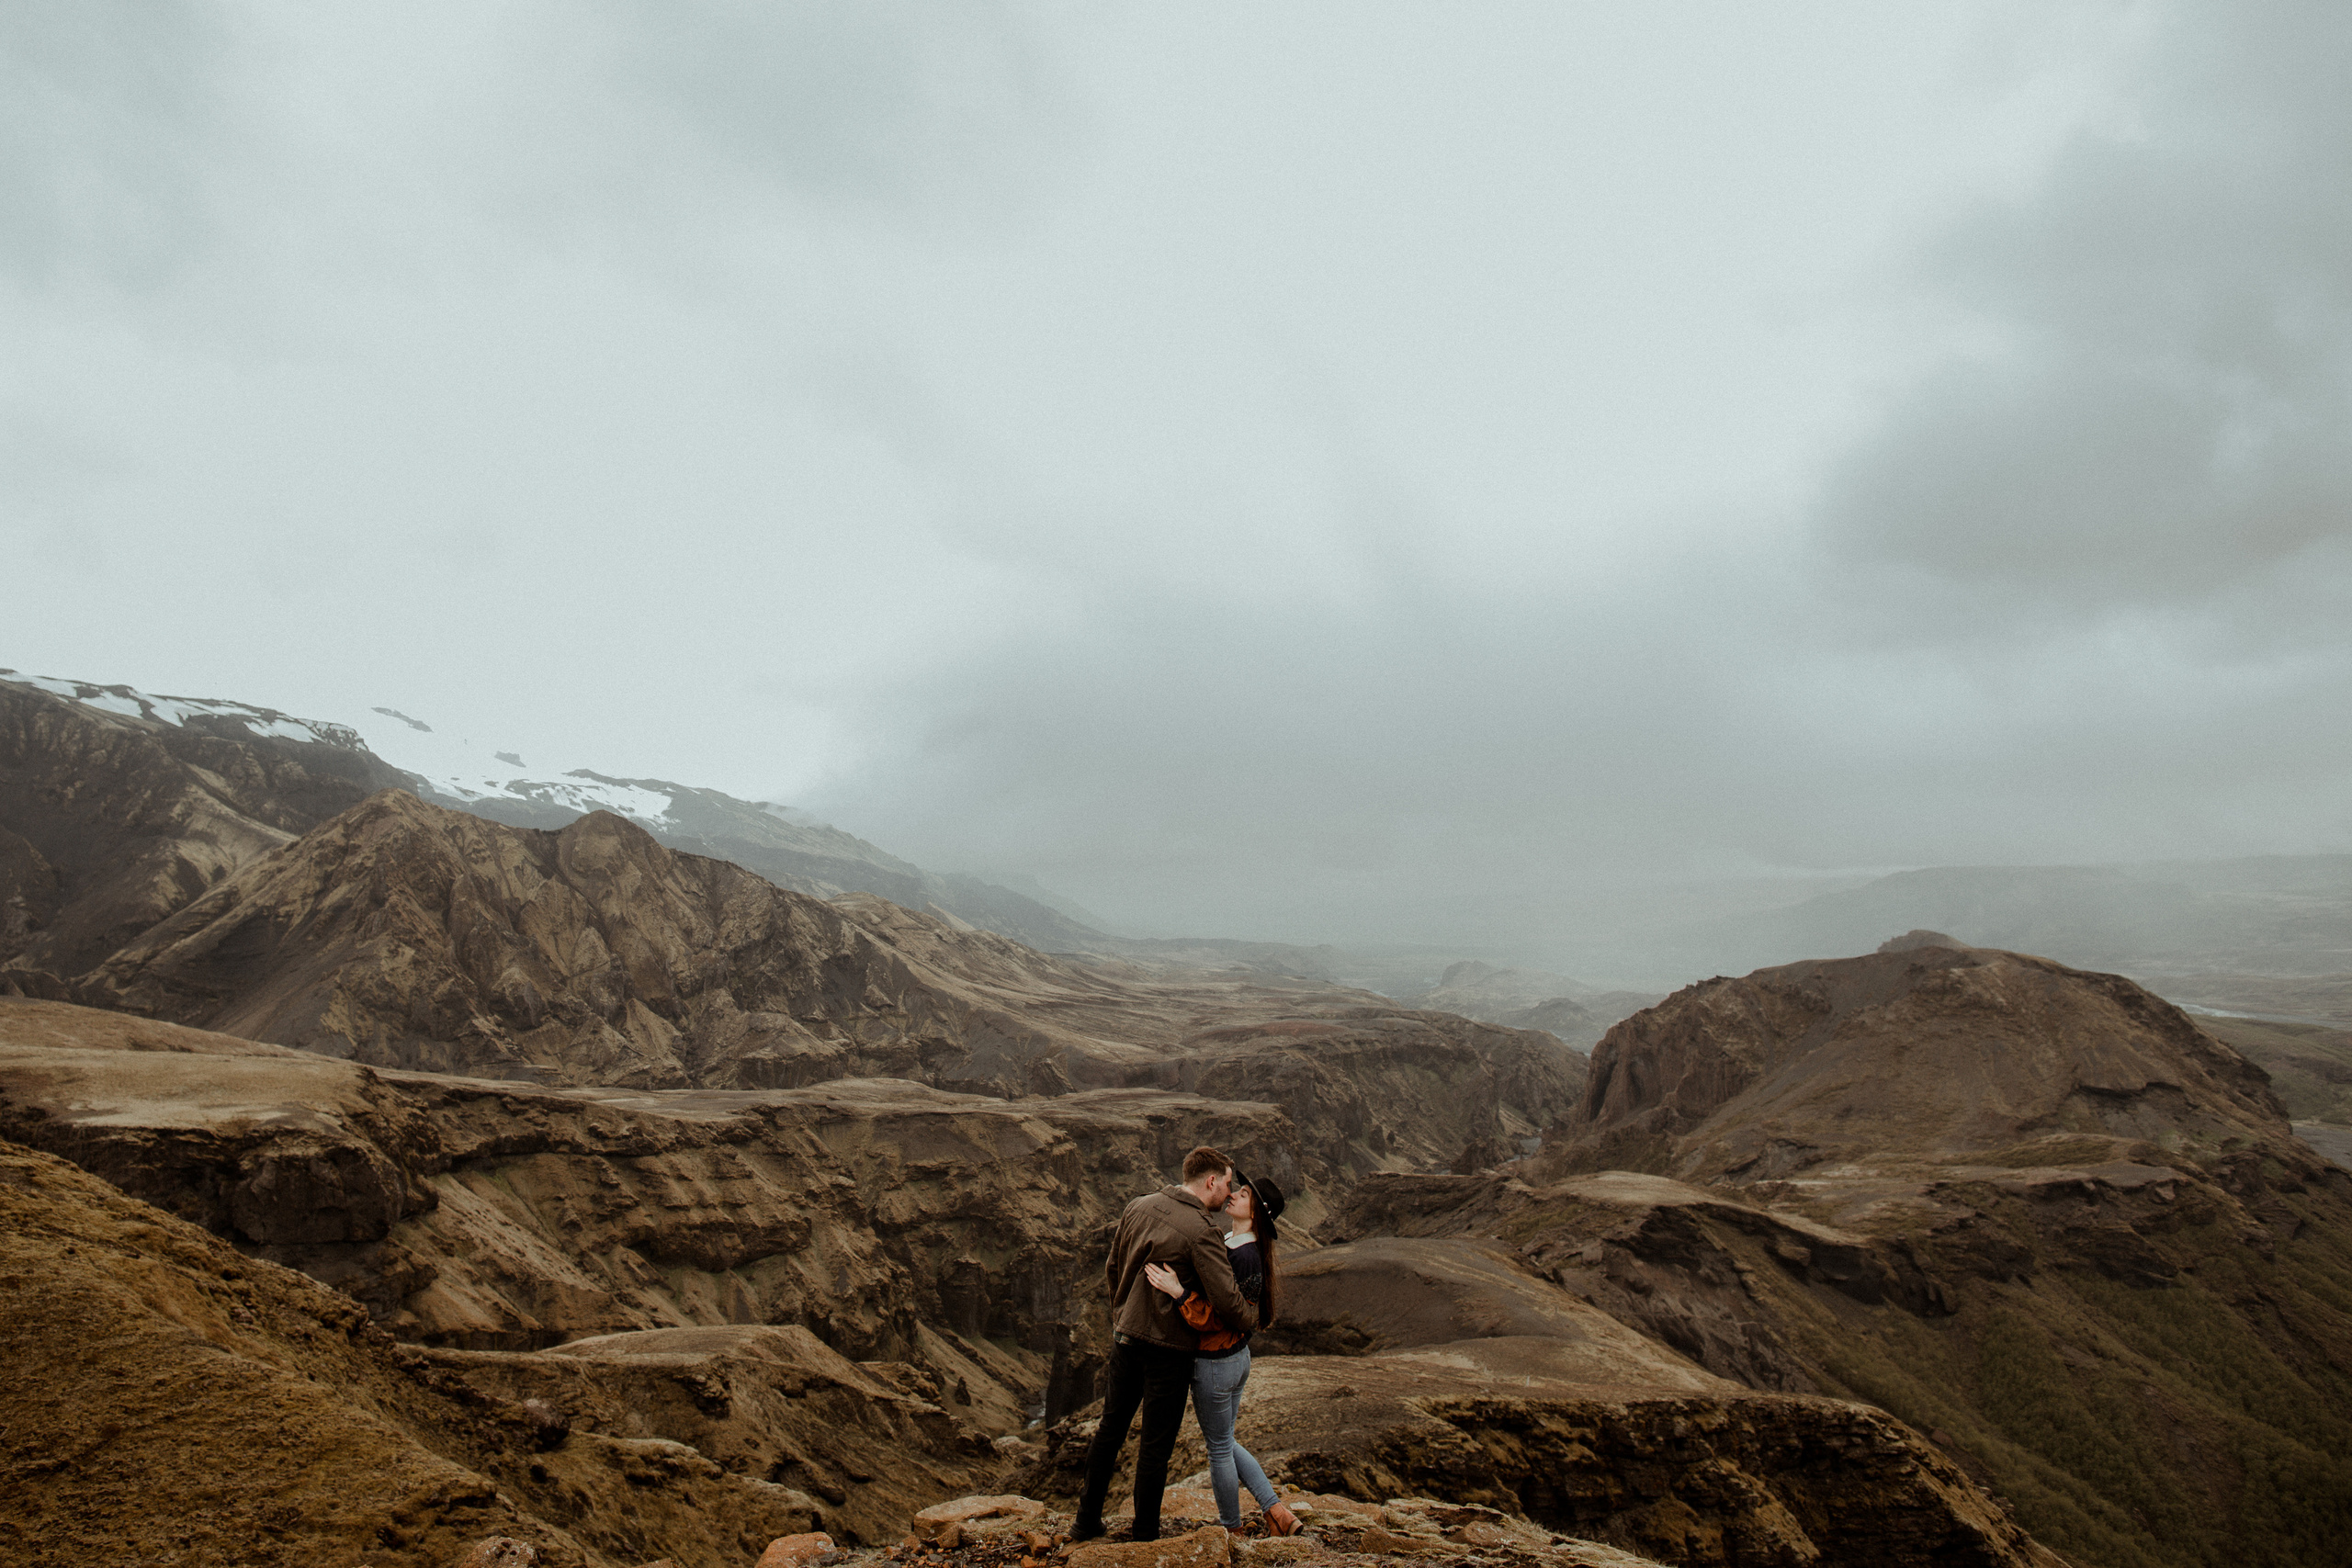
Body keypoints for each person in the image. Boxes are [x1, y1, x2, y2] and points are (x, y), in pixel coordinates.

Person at [1071, 1145, 1261, 1543]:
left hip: (1125, 1340)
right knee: (1155, 1445)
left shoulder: (1137, 1205)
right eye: (1227, 1184)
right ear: (1210, 1180)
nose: (1229, 1194)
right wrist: (1251, 1318)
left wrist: (1121, 1315)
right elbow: (1228, 1303)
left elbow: (1112, 1268)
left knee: (1110, 1430)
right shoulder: (1201, 1230)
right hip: (1168, 1352)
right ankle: (1144, 1534)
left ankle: (1085, 1521)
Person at [1143, 1167, 1301, 1537]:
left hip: (1216, 1363)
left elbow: (1220, 1318)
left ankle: (1231, 1528)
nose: (1233, 1195)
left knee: (1218, 1449)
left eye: (1243, 1195)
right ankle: (1276, 1511)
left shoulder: (1242, 1255)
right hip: (1236, 1360)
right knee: (1226, 1441)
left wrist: (1177, 1291)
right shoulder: (1237, 1243)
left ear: (1256, 1213)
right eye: (1237, 1190)